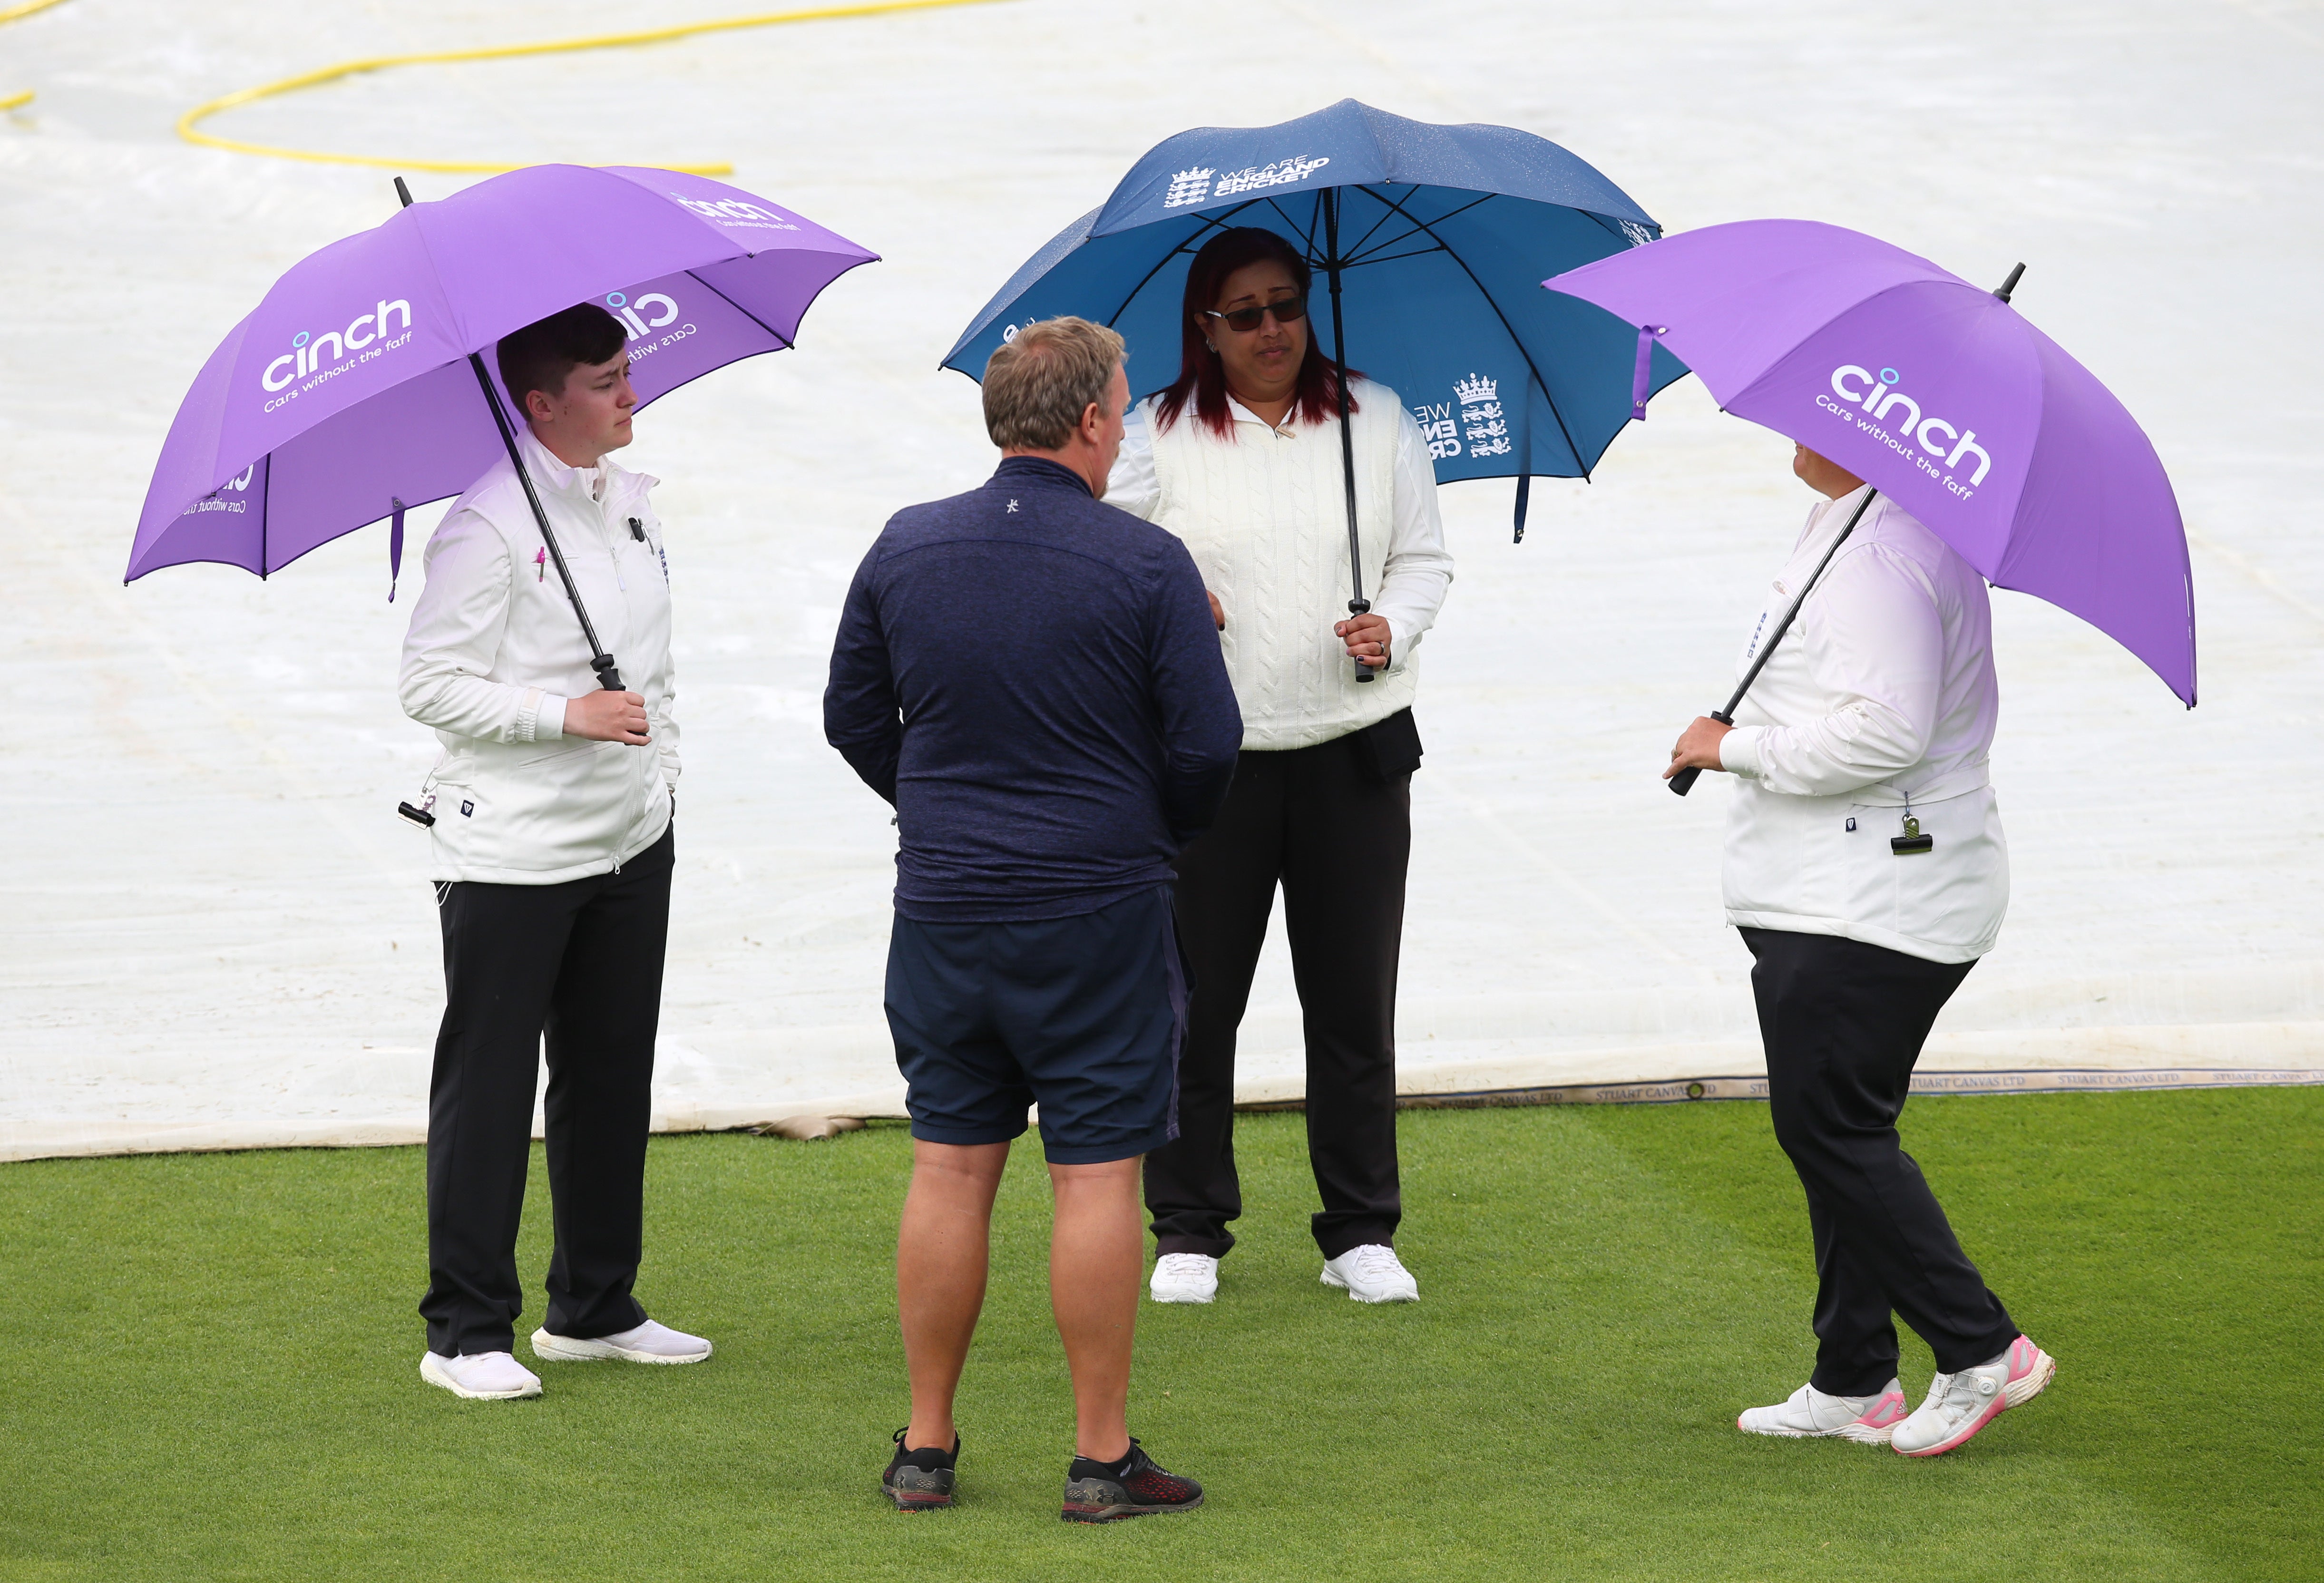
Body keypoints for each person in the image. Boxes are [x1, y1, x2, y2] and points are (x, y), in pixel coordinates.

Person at [825, 316, 1241, 1518]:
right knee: (1097, 1176)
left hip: (945, 905)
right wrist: (1149, 828)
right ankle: (1100, 1456)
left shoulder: (906, 544)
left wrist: (939, 806)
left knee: (950, 1167)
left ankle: (926, 1444)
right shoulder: (1144, 561)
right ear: (1096, 420)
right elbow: (1209, 744)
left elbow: (853, 714)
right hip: (1096, 907)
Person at [1665, 443, 2056, 1457]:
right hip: (1846, 890)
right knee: (1842, 1129)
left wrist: (1731, 747)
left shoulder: (1883, 556)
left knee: (1828, 1127)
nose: (1787, 428)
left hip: (1867, 902)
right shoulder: (1856, 524)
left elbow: (1884, 731)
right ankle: (1853, 1377)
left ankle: (1982, 1345)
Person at [1104, 227, 1454, 1307]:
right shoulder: (1151, 432)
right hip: (1211, 758)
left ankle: (1358, 1228)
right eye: (1244, 314)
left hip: (1355, 748)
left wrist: (1389, 626)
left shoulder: (1377, 416)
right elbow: (1108, 551)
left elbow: (1424, 556)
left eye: (1285, 306)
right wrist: (1171, 599)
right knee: (1194, 1003)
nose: (1271, 331)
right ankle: (1189, 1225)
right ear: (1203, 328)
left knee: (1353, 1000)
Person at [399, 303, 708, 1400]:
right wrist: (564, 715)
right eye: (606, 379)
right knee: (489, 1087)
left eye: (629, 373)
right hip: (513, 855)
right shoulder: (484, 525)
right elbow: (428, 682)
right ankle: (466, 1330)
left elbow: (652, 673)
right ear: (541, 403)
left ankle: (594, 1303)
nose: (631, 393)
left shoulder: (626, 504)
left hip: (630, 839)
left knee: (610, 1071)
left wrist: (658, 777)